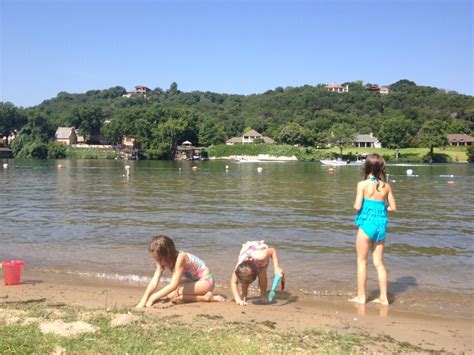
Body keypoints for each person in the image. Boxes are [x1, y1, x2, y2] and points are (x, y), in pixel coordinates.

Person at [349, 154, 397, 306]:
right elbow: (393, 208)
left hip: (366, 226)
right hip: (380, 226)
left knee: (362, 262)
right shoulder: (386, 186)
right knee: (379, 263)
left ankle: (361, 297)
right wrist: (382, 208)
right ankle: (384, 298)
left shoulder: (362, 184)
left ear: (367, 167)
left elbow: (357, 206)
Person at [136, 235, 224, 308]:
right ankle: (202, 296)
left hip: (206, 281)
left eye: (158, 259)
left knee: (178, 293)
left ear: (167, 254)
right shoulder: (162, 260)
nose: (157, 261)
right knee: (170, 295)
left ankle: (206, 298)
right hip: (193, 281)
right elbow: (154, 281)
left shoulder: (180, 258)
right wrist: (144, 299)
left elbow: (174, 285)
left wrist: (153, 297)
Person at [230, 241, 284, 306]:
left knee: (262, 275)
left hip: (259, 249)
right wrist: (237, 299)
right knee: (244, 279)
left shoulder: (261, 256)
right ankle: (244, 294)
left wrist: (276, 267)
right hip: (247, 253)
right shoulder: (238, 268)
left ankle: (263, 294)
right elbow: (233, 282)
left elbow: (272, 250)